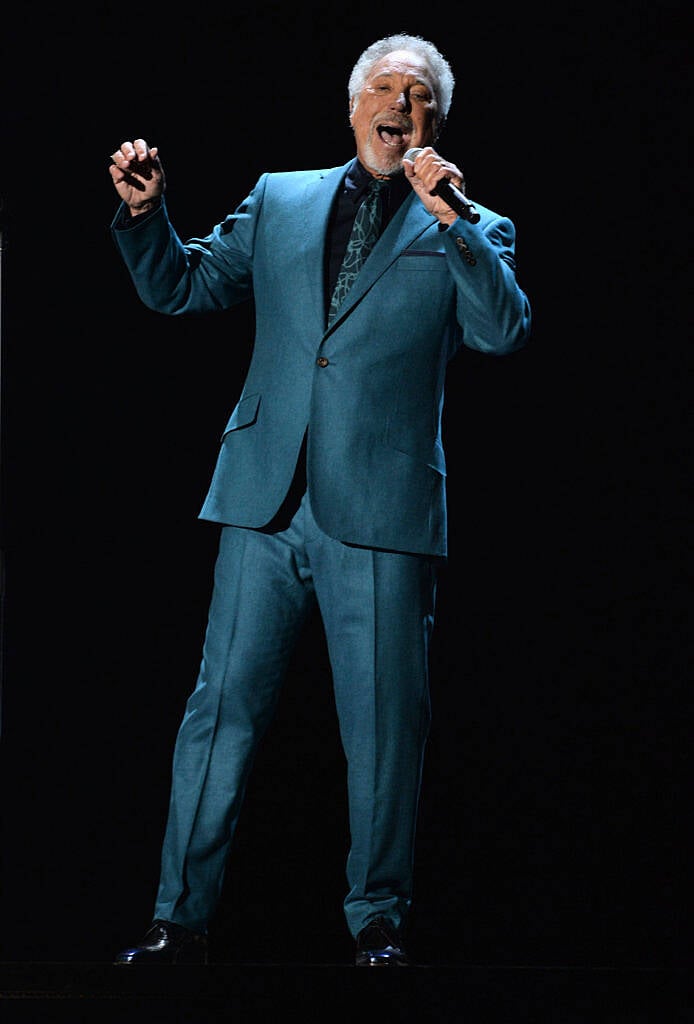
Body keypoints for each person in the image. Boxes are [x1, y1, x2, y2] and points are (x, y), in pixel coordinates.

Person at [109, 32, 531, 968]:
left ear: (437, 123)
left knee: (384, 724)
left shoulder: (472, 223)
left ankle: (377, 919)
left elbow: (502, 332)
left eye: (419, 95)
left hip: (381, 510)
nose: (400, 102)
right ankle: (178, 919)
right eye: (383, 87)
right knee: (221, 712)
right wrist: (147, 219)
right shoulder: (280, 197)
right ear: (352, 109)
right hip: (264, 498)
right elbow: (183, 287)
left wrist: (452, 219)